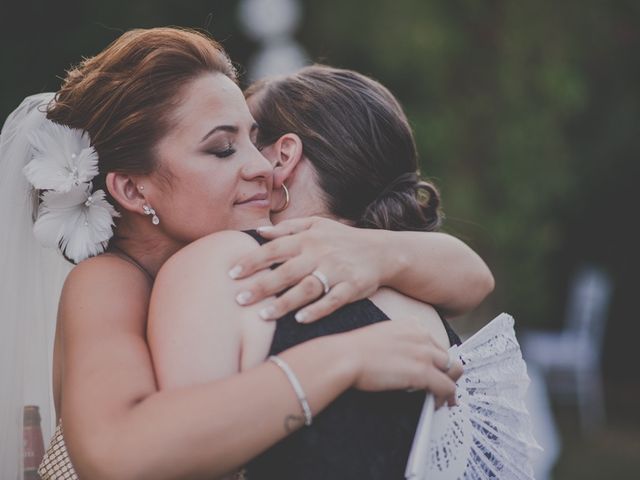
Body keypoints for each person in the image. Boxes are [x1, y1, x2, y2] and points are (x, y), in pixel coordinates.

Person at [0, 28, 489, 480]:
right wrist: (344, 358)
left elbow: (472, 279)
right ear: (132, 189)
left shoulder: (226, 267)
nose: (262, 167)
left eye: (254, 140)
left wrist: (372, 251)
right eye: (221, 149)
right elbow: (114, 451)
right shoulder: (108, 279)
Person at [147, 65, 477, 479]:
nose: (245, 163)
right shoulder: (423, 294)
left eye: (246, 142)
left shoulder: (224, 263)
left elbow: (173, 461)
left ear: (281, 158)